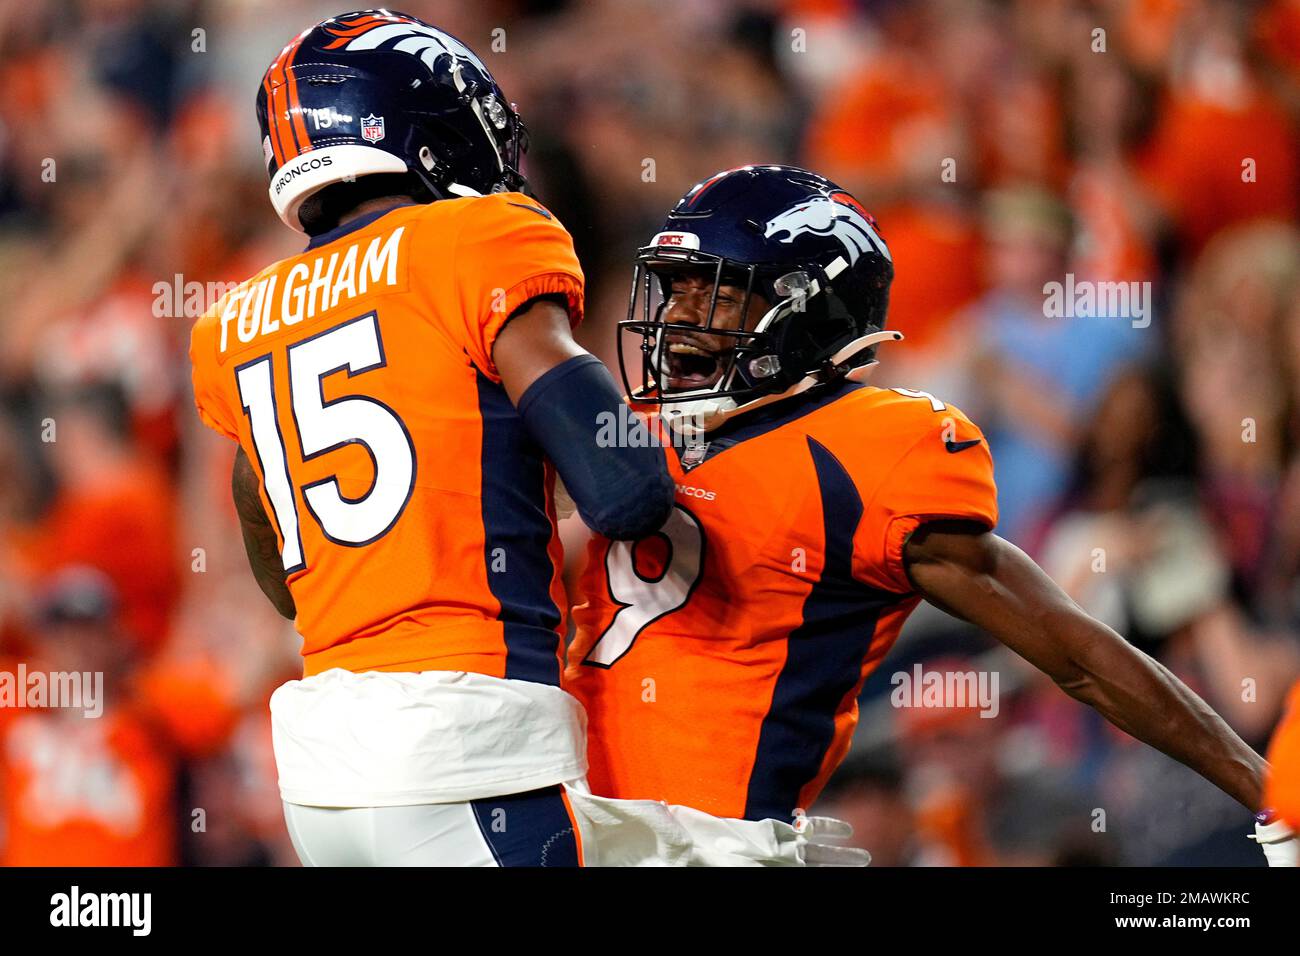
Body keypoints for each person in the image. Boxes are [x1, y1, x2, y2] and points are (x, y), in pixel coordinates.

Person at [562, 164, 1296, 864]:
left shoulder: (871, 454)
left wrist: (1267, 794)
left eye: (716, 295)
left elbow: (1078, 655)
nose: (680, 320)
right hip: (564, 817)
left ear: (808, 309)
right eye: (675, 291)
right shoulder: (641, 430)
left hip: (706, 846)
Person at [189, 10, 682, 866]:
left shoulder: (234, 321)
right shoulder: (476, 239)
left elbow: (281, 569)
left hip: (324, 775)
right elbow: (627, 492)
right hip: (470, 738)